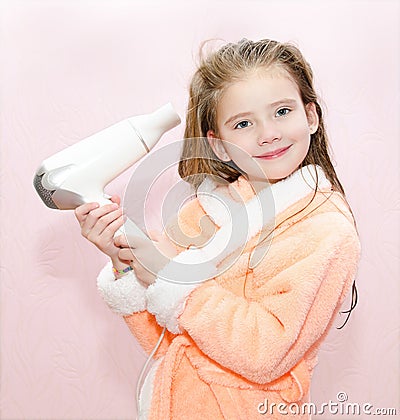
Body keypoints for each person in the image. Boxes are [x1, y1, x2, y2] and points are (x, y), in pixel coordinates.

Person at [74, 38, 360, 419]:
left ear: (311, 116)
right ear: (220, 145)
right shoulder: (204, 213)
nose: (267, 133)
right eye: (243, 123)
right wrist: (124, 259)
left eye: (282, 111)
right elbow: (163, 344)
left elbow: (266, 353)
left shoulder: (326, 231)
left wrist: (172, 274)